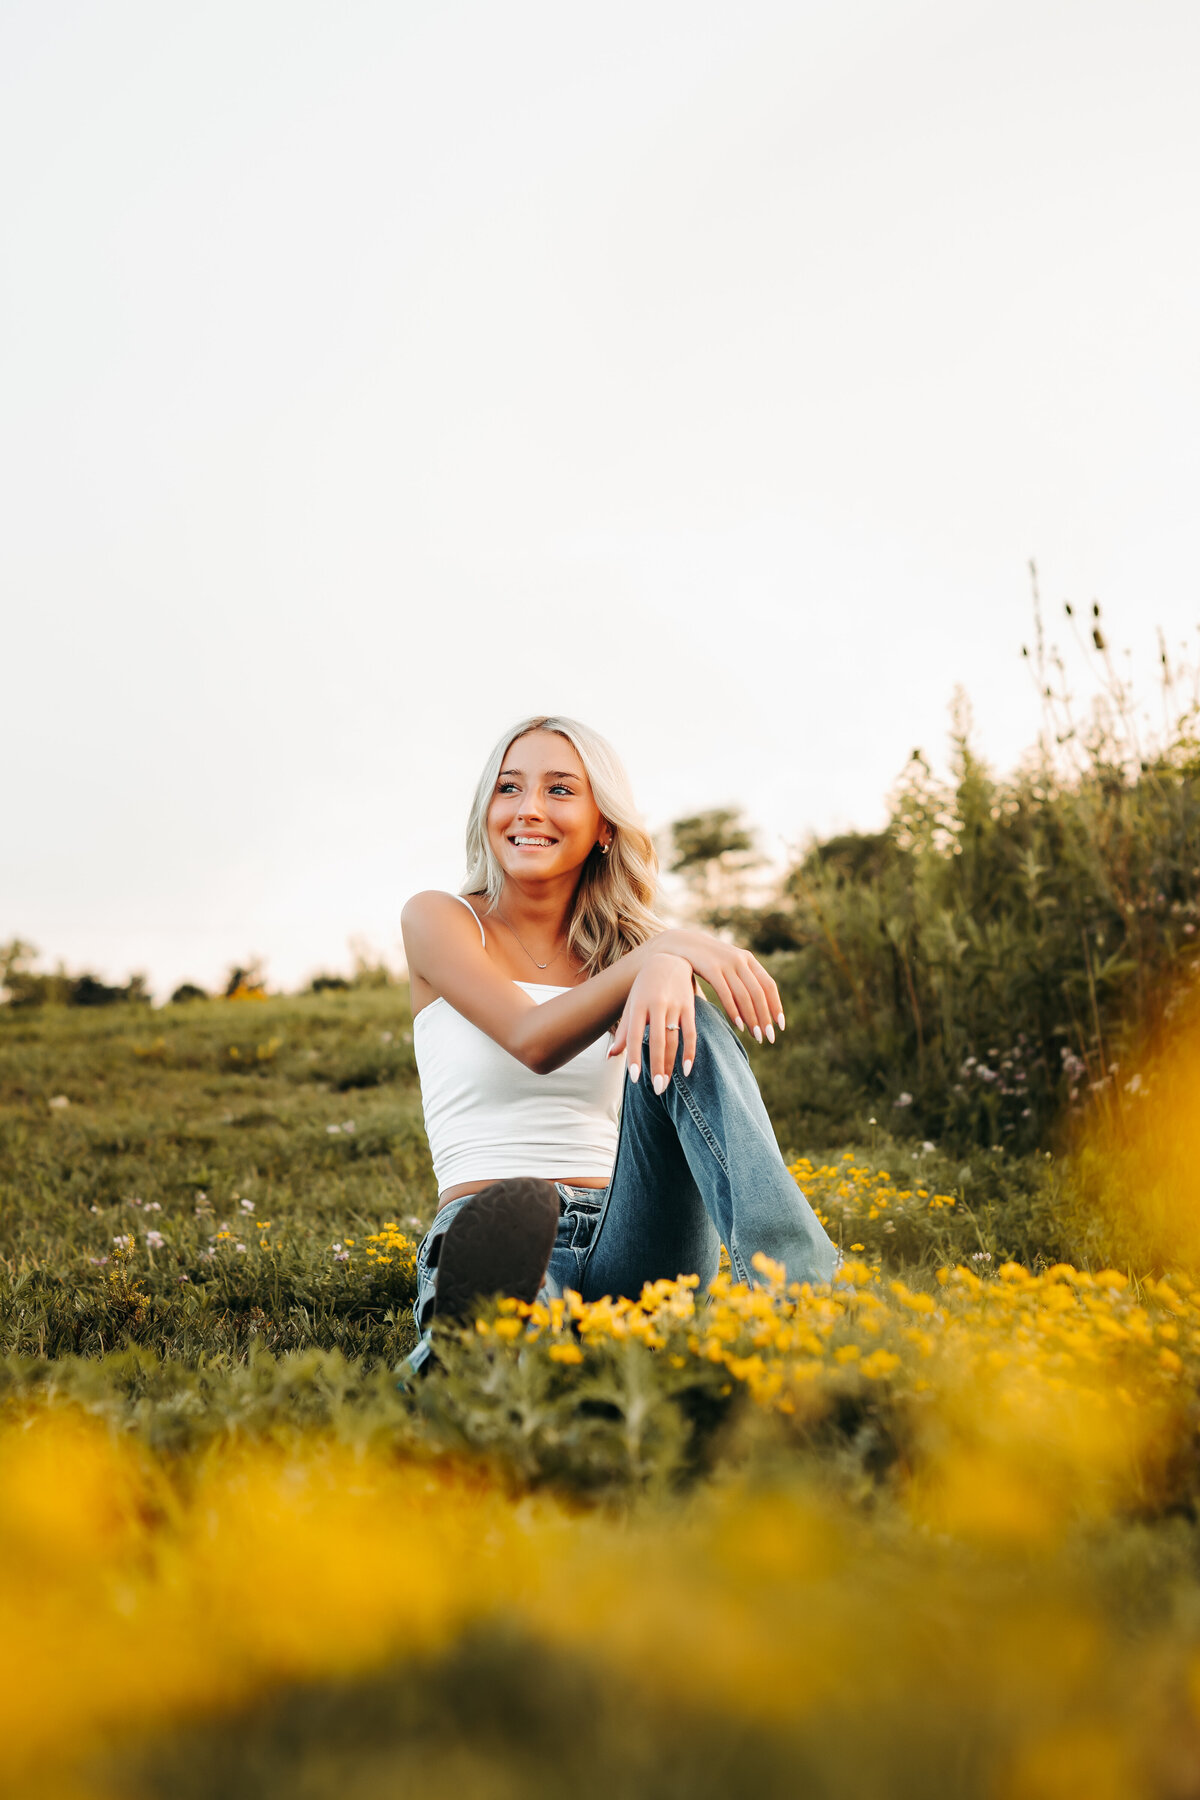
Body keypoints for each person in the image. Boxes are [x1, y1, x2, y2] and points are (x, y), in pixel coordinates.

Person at [400, 714, 837, 1375]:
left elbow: (667, 1020)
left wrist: (663, 963)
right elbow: (531, 1038)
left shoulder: (624, 951)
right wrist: (662, 955)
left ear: (604, 826)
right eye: (509, 787)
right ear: (487, 808)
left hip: (629, 1232)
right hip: (500, 1221)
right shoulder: (440, 920)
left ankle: (795, 1292)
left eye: (560, 790)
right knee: (525, 1315)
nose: (529, 810)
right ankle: (483, 1348)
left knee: (688, 1021)